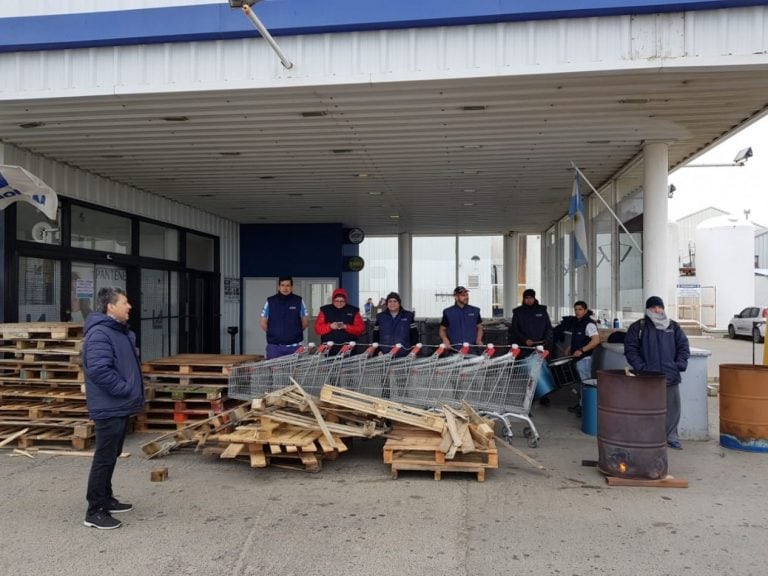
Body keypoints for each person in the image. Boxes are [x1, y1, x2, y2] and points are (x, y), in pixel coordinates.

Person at [82, 287, 144, 530]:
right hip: (109, 406)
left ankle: (106, 499)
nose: (129, 306)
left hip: (119, 406)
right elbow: (98, 369)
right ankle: (94, 511)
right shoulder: (100, 334)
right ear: (111, 306)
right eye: (125, 302)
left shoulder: (120, 332)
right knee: (104, 458)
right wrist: (125, 389)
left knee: (112, 455)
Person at [624, 296, 691, 450]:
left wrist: (679, 364)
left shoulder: (673, 327)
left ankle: (671, 438)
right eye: (653, 307)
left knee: (673, 409)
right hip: (647, 378)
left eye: (659, 307)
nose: (657, 310)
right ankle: (647, 438)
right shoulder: (638, 327)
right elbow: (631, 349)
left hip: (671, 376)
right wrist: (641, 367)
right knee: (646, 409)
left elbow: (683, 346)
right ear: (647, 310)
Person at [259, 276, 309, 360]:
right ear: (278, 287)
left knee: (294, 372)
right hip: (275, 346)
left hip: (294, 346)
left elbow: (305, 322)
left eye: (288, 285)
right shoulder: (271, 301)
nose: (285, 288)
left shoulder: (298, 301)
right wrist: (274, 332)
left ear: (292, 287)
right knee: (274, 372)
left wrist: (295, 331)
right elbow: (263, 322)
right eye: (282, 285)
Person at [314, 288, 366, 354]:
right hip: (329, 348)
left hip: (349, 348)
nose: (339, 303)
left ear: (346, 300)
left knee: (348, 364)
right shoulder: (325, 310)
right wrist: (330, 326)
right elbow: (317, 329)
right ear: (333, 300)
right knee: (330, 364)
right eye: (337, 301)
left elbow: (361, 329)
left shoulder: (353, 310)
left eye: (342, 301)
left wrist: (346, 327)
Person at [373, 292, 419, 357]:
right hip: (384, 355)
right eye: (390, 301)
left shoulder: (408, 316)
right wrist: (378, 351)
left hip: (404, 354)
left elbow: (414, 335)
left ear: (399, 303)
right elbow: (375, 335)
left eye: (395, 301)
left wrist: (414, 351)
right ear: (387, 304)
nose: (392, 304)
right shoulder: (380, 317)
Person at [509, 288, 553, 354]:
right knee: (526, 363)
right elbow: (515, 329)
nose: (529, 300)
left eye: (531, 298)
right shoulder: (518, 312)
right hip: (524, 347)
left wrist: (546, 340)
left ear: (534, 298)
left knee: (542, 363)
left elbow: (548, 327)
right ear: (523, 299)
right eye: (526, 298)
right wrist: (525, 340)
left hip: (541, 346)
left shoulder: (542, 310)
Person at [439, 286, 483, 351]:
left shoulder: (475, 311)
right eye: (463, 295)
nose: (466, 297)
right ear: (456, 297)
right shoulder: (448, 312)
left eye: (467, 295)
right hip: (454, 350)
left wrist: (479, 340)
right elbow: (442, 329)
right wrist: (445, 340)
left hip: (472, 350)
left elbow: (480, 327)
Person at [566, 300, 601, 381]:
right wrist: (570, 348)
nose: (577, 312)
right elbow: (579, 339)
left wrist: (581, 350)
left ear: (585, 310)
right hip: (577, 358)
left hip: (584, 359)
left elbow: (596, 341)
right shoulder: (578, 323)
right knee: (581, 383)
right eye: (576, 309)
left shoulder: (589, 324)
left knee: (586, 382)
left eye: (580, 309)